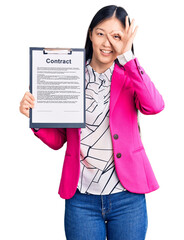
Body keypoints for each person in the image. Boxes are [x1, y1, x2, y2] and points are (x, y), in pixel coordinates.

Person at [19, 5, 165, 240]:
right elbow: (59, 141)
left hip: (127, 198)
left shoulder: (131, 77)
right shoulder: (69, 76)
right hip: (81, 201)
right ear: (90, 34)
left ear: (124, 41)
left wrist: (127, 57)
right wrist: (36, 119)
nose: (107, 43)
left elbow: (154, 106)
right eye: (100, 33)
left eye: (116, 36)